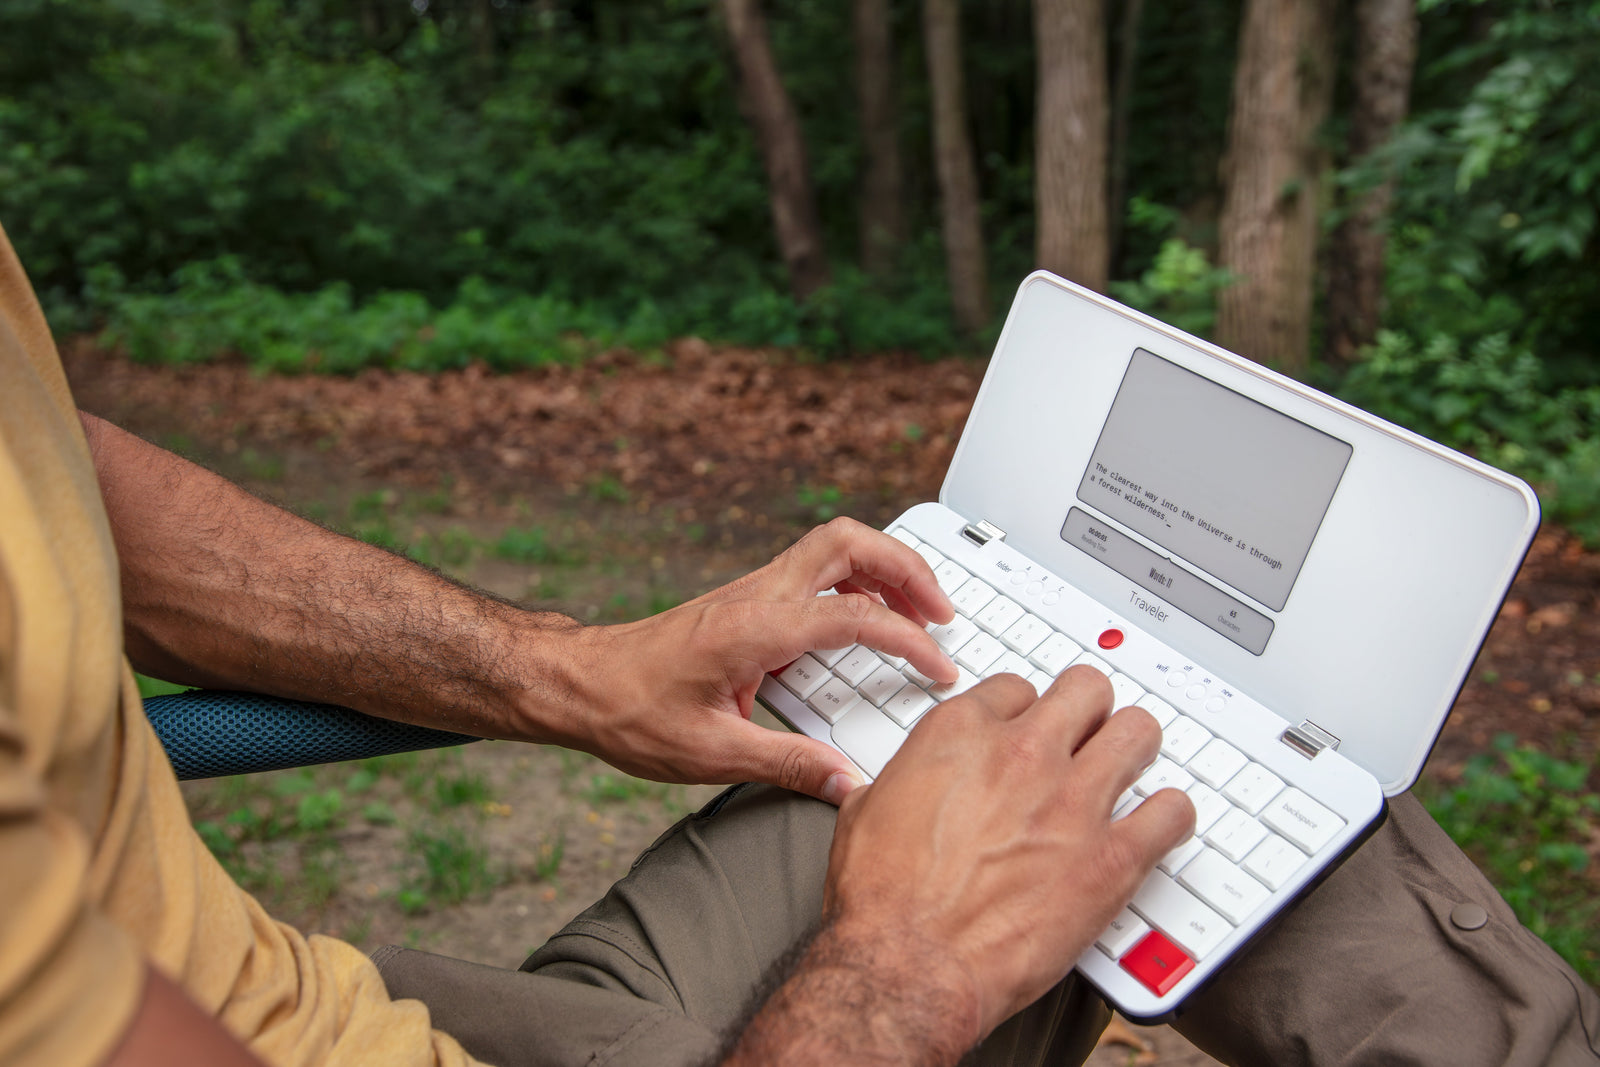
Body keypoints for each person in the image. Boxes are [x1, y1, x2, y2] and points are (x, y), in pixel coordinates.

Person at [1, 221, 1596, 1067]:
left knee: (1061, 708)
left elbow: (55, 475)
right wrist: (900, 968)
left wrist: (563, 670)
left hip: (335, 993)